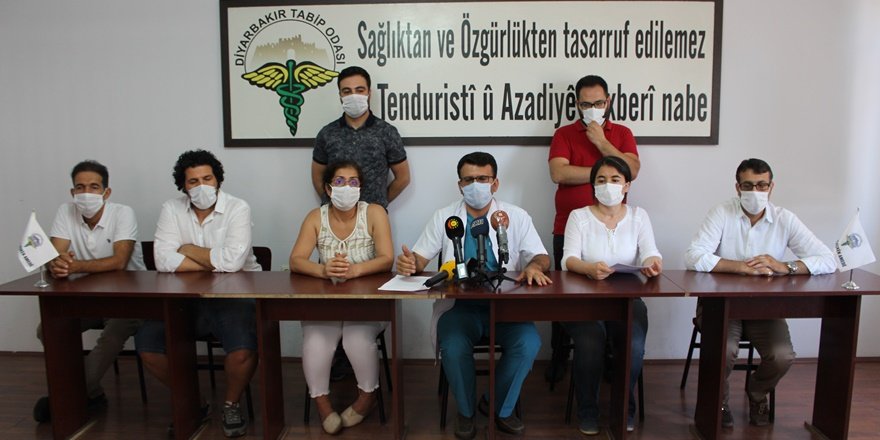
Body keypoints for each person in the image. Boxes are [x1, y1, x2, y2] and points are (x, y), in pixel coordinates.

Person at [396, 152, 551, 439]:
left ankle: (497, 405)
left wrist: (533, 266)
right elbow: (419, 258)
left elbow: (542, 256)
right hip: (460, 308)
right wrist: (409, 263)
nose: (476, 185)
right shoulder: (445, 217)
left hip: (505, 307)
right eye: (469, 180)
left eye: (483, 179)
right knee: (453, 346)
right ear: (460, 185)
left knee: (529, 343)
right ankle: (465, 413)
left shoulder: (515, 216)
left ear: (495, 183)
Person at [684, 158, 836, 428]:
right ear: (737, 187)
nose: (755, 191)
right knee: (724, 350)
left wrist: (786, 267)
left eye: (761, 185)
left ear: (771, 187)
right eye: (748, 185)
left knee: (782, 356)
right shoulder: (721, 212)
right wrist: (740, 267)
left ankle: (757, 392)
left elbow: (827, 259)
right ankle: (719, 402)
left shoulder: (784, 218)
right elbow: (693, 256)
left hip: (764, 306)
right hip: (721, 304)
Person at [136, 149, 262, 438]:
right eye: (193, 181)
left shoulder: (238, 208)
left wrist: (188, 249)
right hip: (184, 298)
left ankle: (231, 404)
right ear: (183, 186)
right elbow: (162, 260)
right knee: (147, 345)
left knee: (243, 348)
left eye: (207, 178)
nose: (202, 186)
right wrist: (214, 262)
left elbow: (233, 262)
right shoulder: (171, 209)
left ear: (218, 180)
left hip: (233, 296)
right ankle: (193, 400)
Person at [32, 160, 145, 423]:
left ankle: (69, 395)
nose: (86, 193)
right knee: (47, 329)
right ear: (72, 192)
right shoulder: (65, 211)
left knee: (112, 334)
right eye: (80, 187)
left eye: (94, 187)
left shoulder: (123, 213)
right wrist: (56, 264)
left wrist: (75, 266)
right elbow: (55, 254)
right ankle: (89, 392)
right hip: (87, 299)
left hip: (131, 299)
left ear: (106, 192)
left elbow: (119, 261)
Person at [546, 74, 640, 383]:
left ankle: (610, 359)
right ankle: (559, 359)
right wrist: (606, 173)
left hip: (614, 233)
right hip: (568, 231)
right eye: (586, 105)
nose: (593, 109)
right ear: (577, 104)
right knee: (565, 298)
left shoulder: (621, 133)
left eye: (598, 103)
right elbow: (559, 173)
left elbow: (632, 170)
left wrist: (601, 142)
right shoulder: (564, 134)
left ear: (608, 102)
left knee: (614, 298)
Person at [289, 160, 394, 434]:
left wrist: (356, 270)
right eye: (339, 181)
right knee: (316, 341)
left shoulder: (374, 213)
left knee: (356, 339)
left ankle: (366, 398)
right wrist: (323, 270)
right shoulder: (316, 217)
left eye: (353, 182)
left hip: (368, 303)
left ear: (360, 188)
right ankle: (323, 405)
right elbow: (296, 260)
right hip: (327, 302)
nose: (346, 187)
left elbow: (387, 258)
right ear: (328, 188)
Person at [560, 156, 661, 435]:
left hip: (626, 300)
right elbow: (568, 259)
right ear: (593, 186)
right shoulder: (579, 216)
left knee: (633, 344)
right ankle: (588, 411)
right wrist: (589, 269)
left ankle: (624, 408)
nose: (608, 186)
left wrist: (653, 263)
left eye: (615, 180)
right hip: (584, 299)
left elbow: (650, 252)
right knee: (590, 342)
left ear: (626, 185)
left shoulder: (639, 216)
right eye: (601, 180)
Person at [312, 66, 410, 209]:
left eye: (360, 90)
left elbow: (403, 177)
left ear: (369, 93)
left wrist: (379, 204)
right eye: (347, 91)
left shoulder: (387, 132)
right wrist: (331, 202)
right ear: (340, 95)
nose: (354, 96)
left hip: (373, 217)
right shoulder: (327, 133)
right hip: (335, 215)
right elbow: (317, 177)